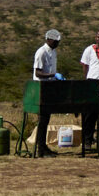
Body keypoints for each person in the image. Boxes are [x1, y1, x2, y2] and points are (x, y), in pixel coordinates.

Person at [32, 29, 64, 157]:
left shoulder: (53, 51)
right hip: (41, 87)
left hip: (50, 86)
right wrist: (53, 75)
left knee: (46, 119)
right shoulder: (41, 52)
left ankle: (44, 147)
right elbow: (38, 72)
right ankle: (40, 150)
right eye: (56, 42)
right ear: (49, 40)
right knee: (42, 120)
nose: (57, 44)